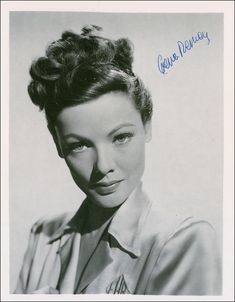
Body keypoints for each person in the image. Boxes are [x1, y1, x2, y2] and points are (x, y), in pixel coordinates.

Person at [15, 25, 221, 295]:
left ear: (147, 126)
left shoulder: (182, 242)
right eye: (79, 145)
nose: (103, 166)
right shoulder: (43, 236)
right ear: (58, 144)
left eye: (121, 137)